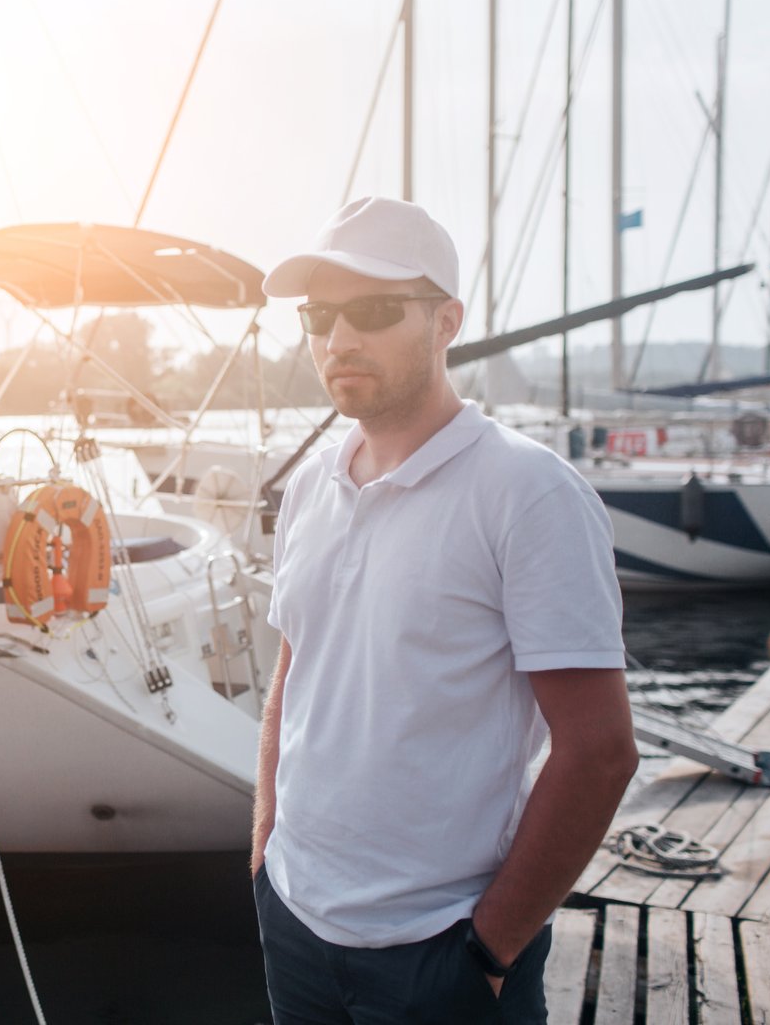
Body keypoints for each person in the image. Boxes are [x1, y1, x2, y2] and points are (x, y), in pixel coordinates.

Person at [251, 197, 638, 1024]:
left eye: (375, 310)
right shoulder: (311, 486)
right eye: (320, 315)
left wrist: (487, 952)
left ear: (446, 321)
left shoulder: (527, 494)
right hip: (294, 917)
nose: (339, 339)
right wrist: (264, 856)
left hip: (443, 948)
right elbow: (293, 678)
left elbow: (599, 751)